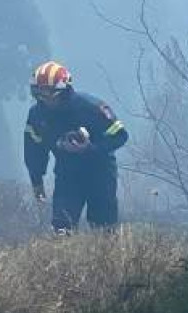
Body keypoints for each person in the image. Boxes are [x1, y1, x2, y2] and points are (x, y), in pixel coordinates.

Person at [24, 61, 129, 233]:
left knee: (104, 230)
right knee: (61, 228)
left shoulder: (92, 108)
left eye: (50, 94)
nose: (45, 99)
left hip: (100, 174)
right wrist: (37, 182)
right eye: (40, 93)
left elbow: (120, 136)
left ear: (63, 90)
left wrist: (90, 148)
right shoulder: (36, 115)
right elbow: (33, 150)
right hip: (67, 176)